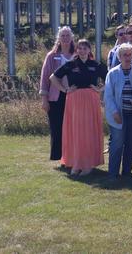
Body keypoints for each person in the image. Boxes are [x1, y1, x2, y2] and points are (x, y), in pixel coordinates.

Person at [50, 39, 107, 176]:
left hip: (91, 99)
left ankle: (87, 164)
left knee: (88, 131)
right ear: (76, 50)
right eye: (79, 48)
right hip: (74, 100)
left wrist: (100, 89)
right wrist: (64, 90)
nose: (82, 51)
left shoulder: (96, 64)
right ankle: (76, 163)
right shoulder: (70, 64)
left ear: (89, 50)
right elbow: (53, 77)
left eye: (85, 48)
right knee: (75, 131)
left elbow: (109, 78)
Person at [39, 26, 75, 163]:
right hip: (55, 98)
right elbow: (45, 77)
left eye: (67, 36)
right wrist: (44, 99)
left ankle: (71, 156)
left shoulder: (77, 55)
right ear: (59, 39)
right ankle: (58, 156)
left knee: (72, 128)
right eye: (63, 36)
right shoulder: (51, 56)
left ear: (72, 38)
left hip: (74, 96)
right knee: (57, 128)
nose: (65, 38)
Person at [103, 45, 132, 180]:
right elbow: (108, 96)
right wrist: (114, 113)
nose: (127, 57)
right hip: (118, 114)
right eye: (124, 55)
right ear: (119, 57)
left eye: (130, 54)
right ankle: (113, 173)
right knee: (117, 144)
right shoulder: (112, 73)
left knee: (131, 144)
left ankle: (126, 172)